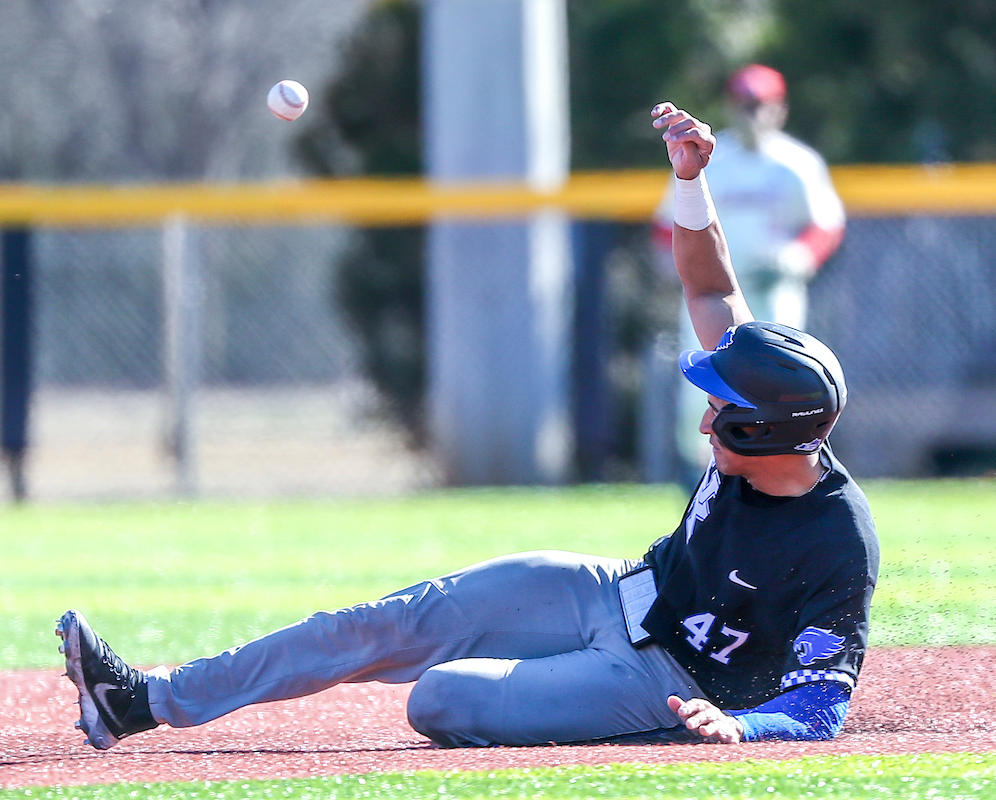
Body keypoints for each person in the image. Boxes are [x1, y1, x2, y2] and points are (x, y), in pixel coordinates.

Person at [55, 102, 879, 750]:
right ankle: (141, 701)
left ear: (770, 434)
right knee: (391, 621)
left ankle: (620, 720)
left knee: (440, 697)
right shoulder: (775, 421)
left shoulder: (837, 539)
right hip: (623, 587)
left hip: (669, 678)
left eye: (725, 412)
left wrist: (740, 726)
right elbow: (709, 290)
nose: (708, 418)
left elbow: (821, 706)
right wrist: (691, 182)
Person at [654, 64, 847, 481]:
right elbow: (664, 223)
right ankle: (704, 480)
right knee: (704, 391)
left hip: (773, 289)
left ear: (779, 109)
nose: (752, 114)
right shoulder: (712, 156)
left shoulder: (797, 162)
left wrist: (798, 256)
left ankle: (778, 481)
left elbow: (827, 224)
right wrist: (671, 265)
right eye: (744, 105)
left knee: (782, 390)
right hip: (710, 295)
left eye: (760, 105)